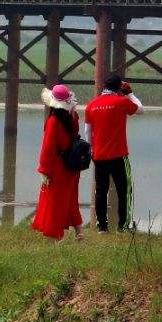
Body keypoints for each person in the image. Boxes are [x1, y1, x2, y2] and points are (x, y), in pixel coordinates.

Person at [84, 72, 142, 231]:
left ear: (104, 86)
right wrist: (129, 93)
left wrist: (92, 151)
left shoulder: (91, 105)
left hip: (99, 155)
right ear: (119, 87)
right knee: (125, 190)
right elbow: (140, 109)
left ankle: (102, 227)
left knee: (100, 191)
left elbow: (88, 132)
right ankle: (123, 226)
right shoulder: (122, 101)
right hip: (119, 155)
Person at [31, 85, 84, 241]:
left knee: (54, 200)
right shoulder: (72, 118)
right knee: (71, 199)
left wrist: (44, 170)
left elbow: (47, 148)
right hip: (72, 165)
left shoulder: (53, 121)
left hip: (58, 166)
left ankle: (54, 236)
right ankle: (79, 232)